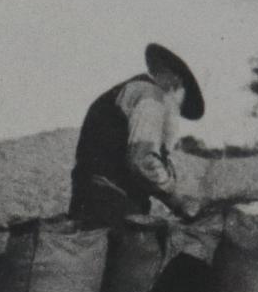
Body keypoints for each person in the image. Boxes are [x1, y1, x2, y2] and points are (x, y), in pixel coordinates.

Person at [69, 43, 206, 226]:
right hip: (111, 203)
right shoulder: (152, 97)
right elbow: (143, 160)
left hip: (91, 198)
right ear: (176, 83)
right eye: (181, 102)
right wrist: (177, 199)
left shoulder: (130, 90)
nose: (176, 111)